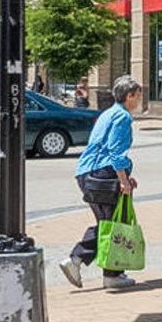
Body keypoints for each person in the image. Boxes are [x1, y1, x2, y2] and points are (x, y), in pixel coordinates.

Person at [60, 75, 144, 289]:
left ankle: (96, 267)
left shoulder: (108, 113)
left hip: (89, 172)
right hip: (102, 174)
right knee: (113, 224)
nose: (140, 100)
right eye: (138, 95)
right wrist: (122, 179)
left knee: (107, 223)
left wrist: (123, 174)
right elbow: (115, 152)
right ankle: (100, 271)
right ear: (129, 95)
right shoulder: (122, 117)